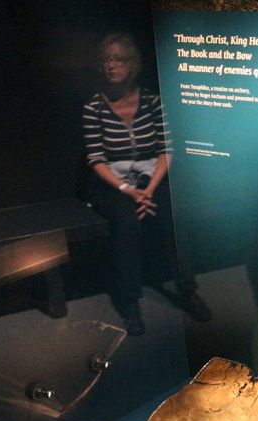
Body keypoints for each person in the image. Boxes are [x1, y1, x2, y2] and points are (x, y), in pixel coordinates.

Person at [83, 33, 210, 335]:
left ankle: (187, 290)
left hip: (150, 179)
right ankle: (129, 301)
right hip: (112, 184)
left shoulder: (152, 101)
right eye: (106, 60)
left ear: (132, 65)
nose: (111, 66)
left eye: (118, 59)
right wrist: (127, 190)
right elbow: (96, 159)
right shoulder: (94, 107)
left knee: (172, 218)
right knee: (126, 223)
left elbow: (167, 149)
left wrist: (149, 189)